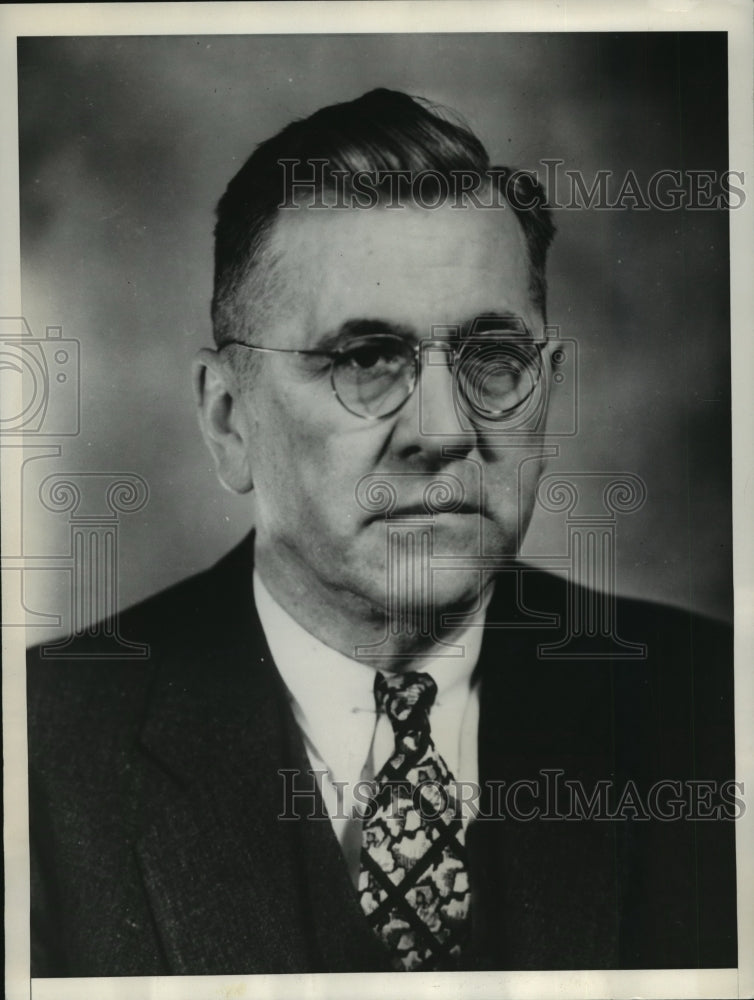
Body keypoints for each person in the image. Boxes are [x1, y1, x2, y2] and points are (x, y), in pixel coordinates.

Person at [27, 88, 737, 976]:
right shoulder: (39, 756)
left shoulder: (714, 708)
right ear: (227, 420)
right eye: (366, 360)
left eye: (493, 357)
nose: (442, 430)